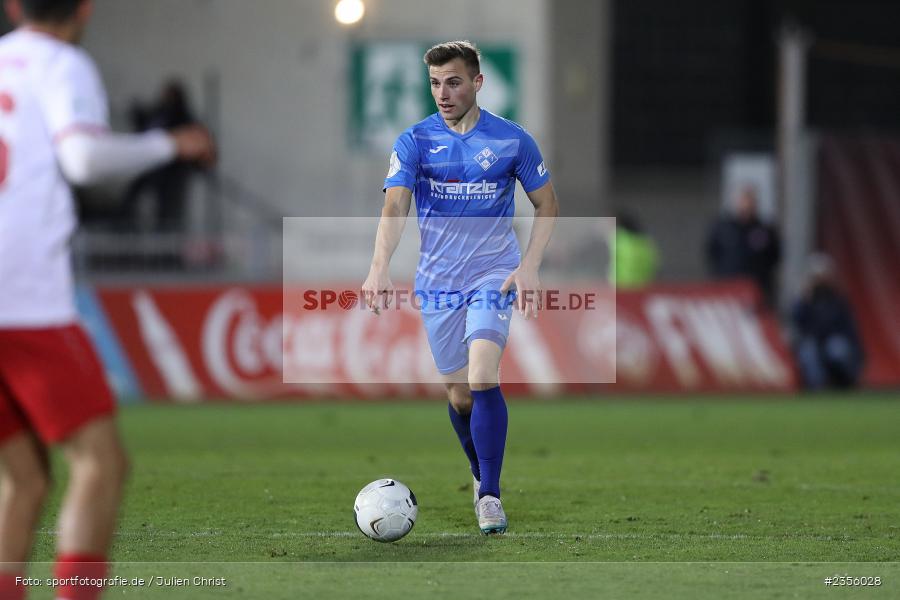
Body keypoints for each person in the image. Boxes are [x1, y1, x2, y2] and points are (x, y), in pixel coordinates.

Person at [0, 2, 215, 599]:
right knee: (100, 463)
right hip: (22, 304)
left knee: (23, 478)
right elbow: (84, 160)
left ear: (14, 6)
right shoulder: (62, 64)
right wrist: (171, 144)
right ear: (85, 8)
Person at [361, 40, 558, 535]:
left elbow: (548, 204)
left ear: (477, 82)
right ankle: (478, 472)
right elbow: (395, 207)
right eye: (434, 83)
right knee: (459, 397)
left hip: (494, 272)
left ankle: (490, 496)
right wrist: (378, 267)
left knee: (483, 375)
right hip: (438, 283)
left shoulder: (513, 140)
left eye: (452, 82)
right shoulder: (414, 142)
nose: (443, 93)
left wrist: (530, 265)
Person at [791, 254, 865, 389]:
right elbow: (796, 321)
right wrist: (804, 298)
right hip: (813, 341)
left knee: (837, 348)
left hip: (833, 339)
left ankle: (846, 383)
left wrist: (857, 350)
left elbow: (848, 327)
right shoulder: (806, 299)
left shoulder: (837, 299)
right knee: (809, 351)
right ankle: (818, 388)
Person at [705, 185, 781, 306]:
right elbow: (712, 253)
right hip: (728, 287)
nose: (746, 205)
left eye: (750, 200)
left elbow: (774, 256)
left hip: (757, 290)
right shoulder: (722, 228)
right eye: (743, 200)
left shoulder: (765, 229)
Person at [609, 211, 659, 288]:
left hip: (622, 288)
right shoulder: (645, 242)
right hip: (642, 288)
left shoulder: (617, 241)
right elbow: (654, 265)